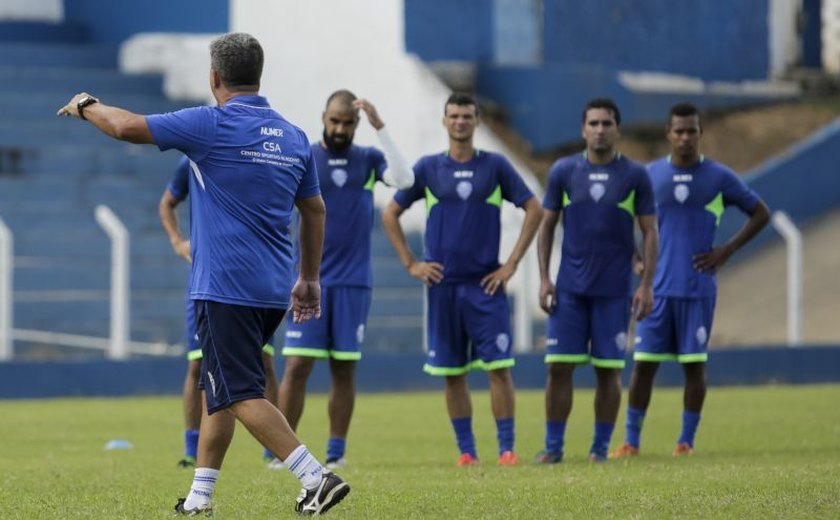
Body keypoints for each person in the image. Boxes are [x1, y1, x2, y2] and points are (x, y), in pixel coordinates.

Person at [58, 33, 349, 516]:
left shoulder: (210, 123)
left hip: (225, 286)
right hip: (273, 288)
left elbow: (127, 126)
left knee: (238, 393)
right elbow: (315, 211)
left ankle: (315, 477)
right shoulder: (294, 135)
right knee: (220, 393)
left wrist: (86, 103)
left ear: (214, 77)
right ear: (259, 76)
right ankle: (199, 498)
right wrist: (310, 278)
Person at [381, 92, 543, 467]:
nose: (460, 121)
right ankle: (467, 452)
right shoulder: (428, 168)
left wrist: (512, 264)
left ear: (477, 120)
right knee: (452, 374)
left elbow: (534, 208)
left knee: (498, 369)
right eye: (453, 115)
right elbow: (390, 214)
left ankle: (506, 449)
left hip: (486, 285)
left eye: (467, 115)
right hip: (444, 288)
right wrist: (411, 263)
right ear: (444, 121)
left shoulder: (496, 166)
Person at [610, 102, 770, 459]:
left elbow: (761, 213)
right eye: (678, 131)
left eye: (691, 131)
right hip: (656, 290)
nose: (685, 137)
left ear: (700, 134)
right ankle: (631, 442)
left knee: (694, 366)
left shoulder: (719, 177)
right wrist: (635, 259)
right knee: (644, 366)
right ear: (668, 133)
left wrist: (726, 250)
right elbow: (621, 219)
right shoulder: (649, 175)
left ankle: (685, 441)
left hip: (697, 289)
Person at [272, 90, 414, 470]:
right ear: (323, 117)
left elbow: (404, 178)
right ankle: (283, 451)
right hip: (307, 279)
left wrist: (380, 126)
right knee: (298, 366)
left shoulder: (367, 160)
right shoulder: (306, 157)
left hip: (353, 283)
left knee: (344, 367)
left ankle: (336, 451)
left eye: (348, 123)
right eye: (335, 121)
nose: (340, 128)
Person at [536, 98, 659, 463]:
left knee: (609, 372)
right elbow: (547, 225)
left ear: (617, 129)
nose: (600, 129)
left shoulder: (635, 175)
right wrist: (544, 278)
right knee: (559, 368)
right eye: (594, 123)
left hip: (614, 292)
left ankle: (599, 449)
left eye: (607, 123)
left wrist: (647, 284)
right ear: (583, 129)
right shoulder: (563, 170)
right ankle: (554, 448)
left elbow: (650, 232)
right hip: (570, 290)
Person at [159, 156, 281, 468]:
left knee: (263, 361)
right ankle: (192, 449)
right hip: (207, 283)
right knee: (198, 366)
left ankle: (274, 452)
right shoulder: (193, 160)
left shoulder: (253, 159)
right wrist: (177, 242)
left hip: (248, 283)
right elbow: (167, 203)